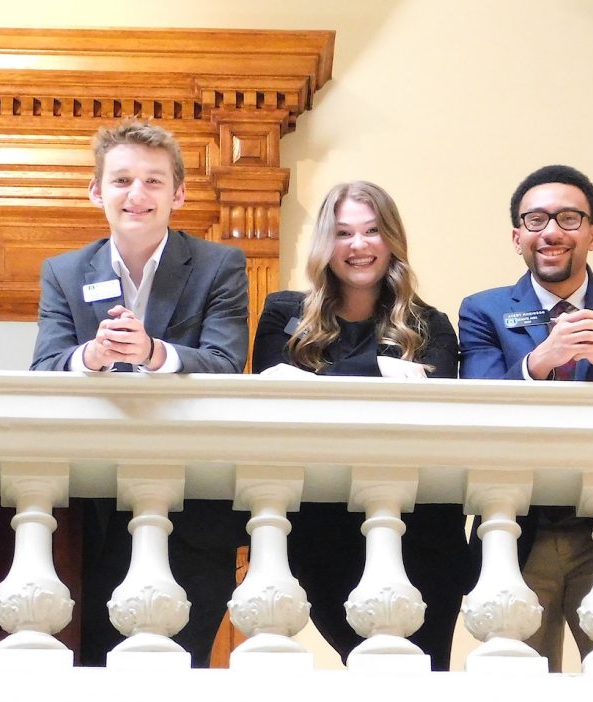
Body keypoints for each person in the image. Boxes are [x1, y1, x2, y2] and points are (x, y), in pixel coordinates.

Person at [30, 118, 250, 667]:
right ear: (96, 190)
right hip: (92, 511)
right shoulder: (62, 272)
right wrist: (93, 357)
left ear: (178, 192)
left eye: (154, 181)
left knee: (182, 667)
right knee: (96, 668)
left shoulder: (220, 265)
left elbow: (225, 365)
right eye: (122, 180)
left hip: (193, 508)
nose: (137, 194)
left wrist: (152, 353)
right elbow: (45, 367)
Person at [251, 180, 470, 671]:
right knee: (364, 665)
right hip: (320, 523)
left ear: (391, 239)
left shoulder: (430, 324)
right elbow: (270, 392)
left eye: (372, 231)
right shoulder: (285, 313)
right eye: (344, 232)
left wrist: (308, 380)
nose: (358, 245)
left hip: (423, 527)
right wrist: (383, 372)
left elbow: (429, 413)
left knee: (425, 672)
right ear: (325, 243)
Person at [458, 164, 593, 671]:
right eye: (535, 220)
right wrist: (539, 362)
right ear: (517, 237)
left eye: (569, 218)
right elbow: (478, 407)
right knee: (518, 679)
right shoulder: (482, 310)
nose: (551, 231)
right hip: (517, 525)